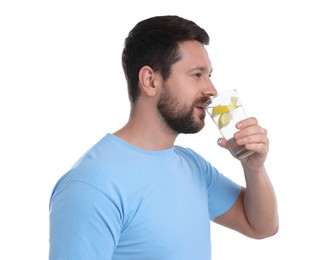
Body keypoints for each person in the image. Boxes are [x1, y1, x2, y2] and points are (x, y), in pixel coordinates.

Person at [49, 15, 279, 259]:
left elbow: (261, 226)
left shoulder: (192, 166)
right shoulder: (91, 186)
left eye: (209, 75)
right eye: (197, 74)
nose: (211, 90)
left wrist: (253, 167)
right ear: (150, 81)